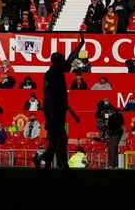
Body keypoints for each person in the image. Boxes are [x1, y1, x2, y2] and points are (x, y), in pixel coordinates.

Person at [42, 33, 84, 170]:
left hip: (59, 112)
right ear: (56, 61)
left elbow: (71, 57)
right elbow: (47, 95)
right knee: (58, 140)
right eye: (61, 59)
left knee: (58, 140)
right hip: (54, 113)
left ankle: (47, 162)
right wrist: (50, 112)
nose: (63, 61)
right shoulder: (50, 74)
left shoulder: (59, 72)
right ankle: (58, 165)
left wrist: (80, 45)